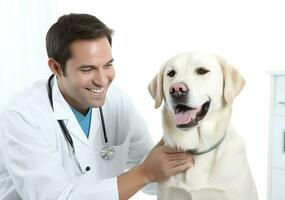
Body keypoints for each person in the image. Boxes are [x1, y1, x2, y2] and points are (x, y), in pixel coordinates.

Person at [0, 13, 194, 200]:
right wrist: (144, 173)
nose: (102, 81)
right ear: (56, 68)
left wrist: (183, 139)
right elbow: (55, 197)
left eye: (108, 65)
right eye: (87, 69)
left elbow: (154, 175)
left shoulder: (116, 102)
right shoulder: (22, 116)